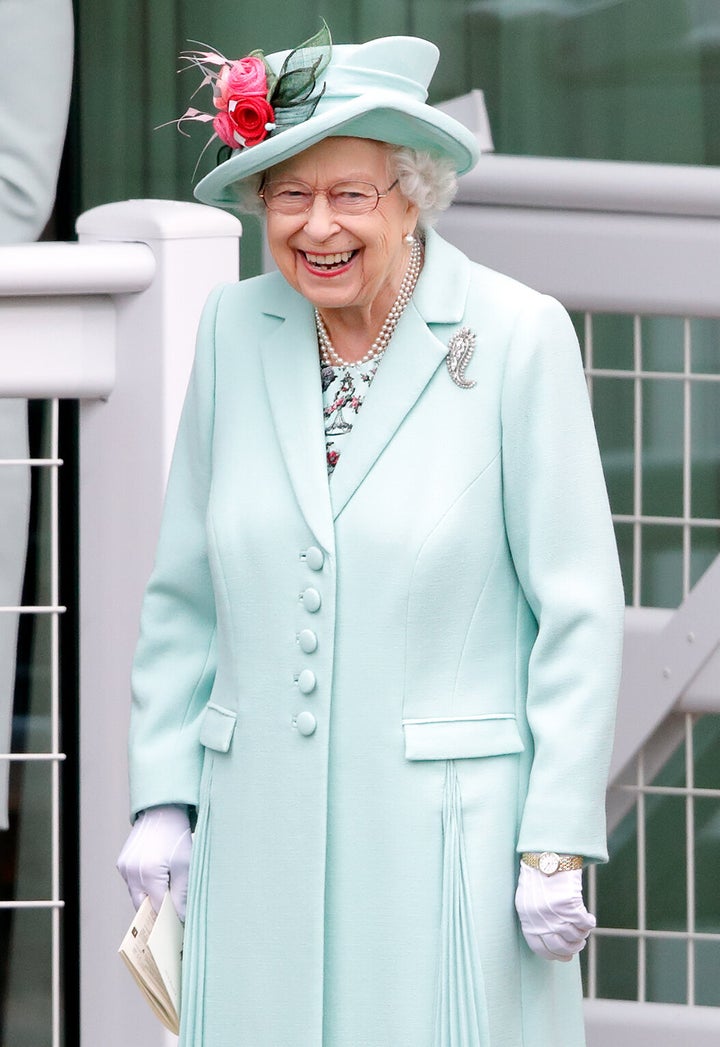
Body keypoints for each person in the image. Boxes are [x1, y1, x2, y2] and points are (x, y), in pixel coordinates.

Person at [117, 26, 624, 1047]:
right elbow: (184, 594)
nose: (317, 227)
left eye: (350, 194)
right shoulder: (232, 331)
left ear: (413, 194)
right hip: (257, 838)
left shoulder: (517, 336)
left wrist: (556, 838)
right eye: (288, 196)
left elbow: (577, 608)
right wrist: (162, 793)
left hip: (449, 851)